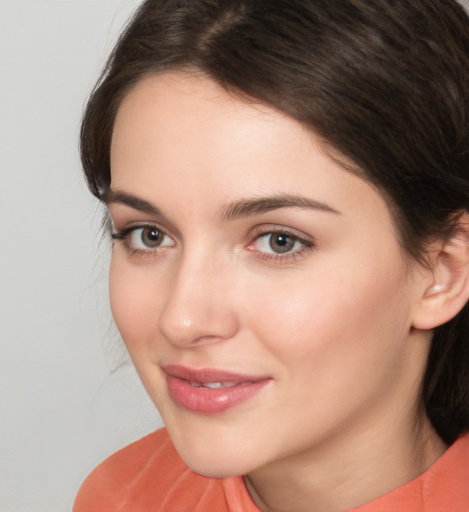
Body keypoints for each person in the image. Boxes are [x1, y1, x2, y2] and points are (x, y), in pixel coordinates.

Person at [73, 1, 469, 510]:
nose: (182, 319)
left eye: (278, 241)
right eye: (149, 235)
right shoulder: (121, 496)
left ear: (443, 272)